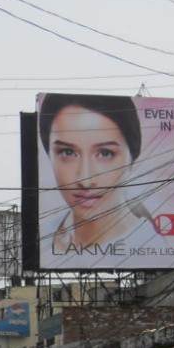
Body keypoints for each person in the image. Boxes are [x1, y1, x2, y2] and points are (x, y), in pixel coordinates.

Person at [38, 93, 144, 253]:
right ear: (48, 155)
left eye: (105, 153)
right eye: (67, 152)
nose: (85, 180)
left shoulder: (152, 245)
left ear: (132, 159)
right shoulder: (42, 238)